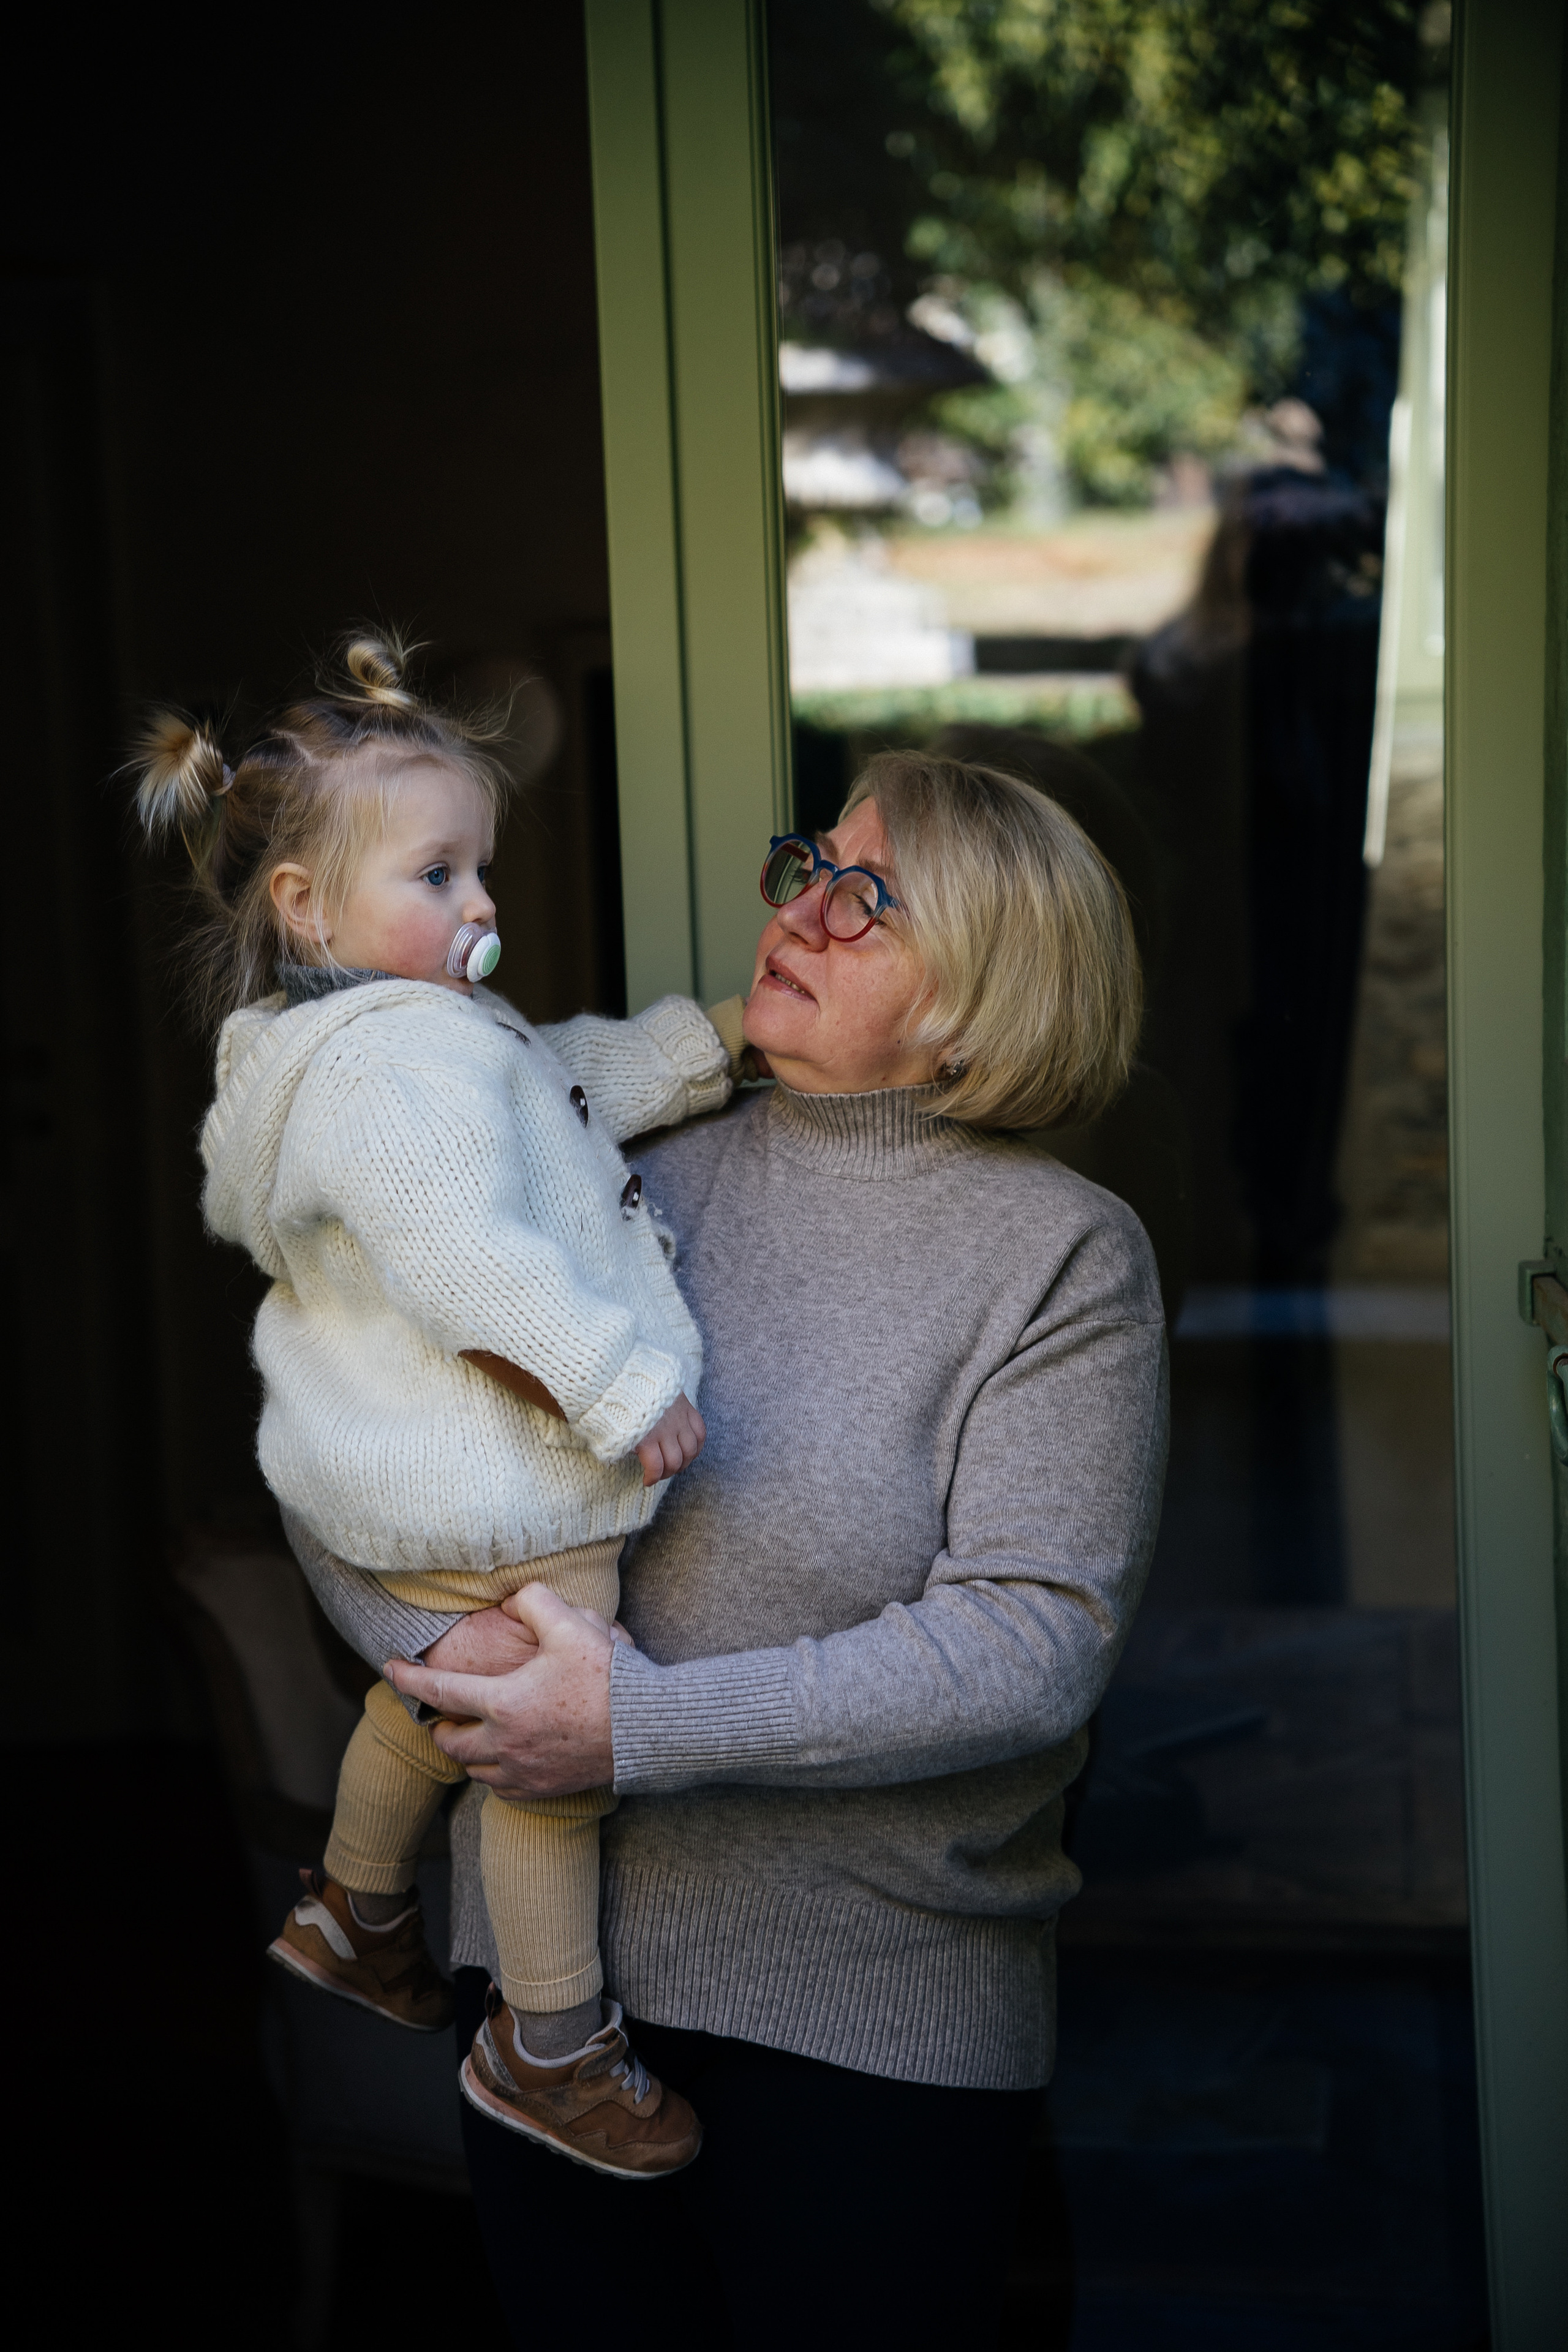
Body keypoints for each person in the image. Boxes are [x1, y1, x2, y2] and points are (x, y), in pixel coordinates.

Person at [293, 751, 1168, 2348]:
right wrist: (436, 1655)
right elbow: (352, 1426)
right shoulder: (602, 1169)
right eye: (811, 866)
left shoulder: (1061, 1256)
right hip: (559, 2023)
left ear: (986, 1000)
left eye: (872, 898)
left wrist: (636, 1730)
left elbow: (1032, 1645)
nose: (804, 913)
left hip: (878, 2023)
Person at [136, 631, 738, 2177]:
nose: (478, 905)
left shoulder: (376, 1045)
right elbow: (469, 1255)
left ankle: (353, 1907)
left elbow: (552, 1078)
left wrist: (699, 1049)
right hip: (505, 1480)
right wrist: (615, 1384)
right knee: (546, 1742)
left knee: (446, 1690)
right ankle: (549, 2046)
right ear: (307, 905)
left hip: (401, 1487)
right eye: (436, 875)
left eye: (479, 868)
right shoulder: (398, 1073)